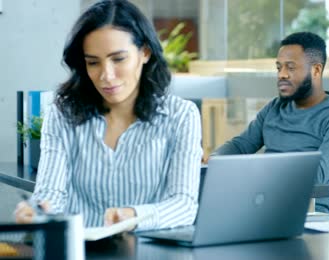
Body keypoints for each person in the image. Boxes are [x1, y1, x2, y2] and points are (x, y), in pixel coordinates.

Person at [14, 0, 202, 231]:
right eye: (93, 63)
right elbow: (51, 192)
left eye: (118, 59)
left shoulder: (181, 116)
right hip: (80, 252)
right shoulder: (61, 114)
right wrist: (37, 211)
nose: (106, 76)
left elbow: (184, 205)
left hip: (148, 254)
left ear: (144, 52)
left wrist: (133, 215)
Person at [211, 32, 329, 214]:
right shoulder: (275, 107)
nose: (282, 75)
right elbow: (241, 145)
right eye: (279, 68)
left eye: (290, 68)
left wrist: (252, 179)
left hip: (304, 214)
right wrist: (212, 162)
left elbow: (313, 176)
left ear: (316, 70)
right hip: (261, 203)